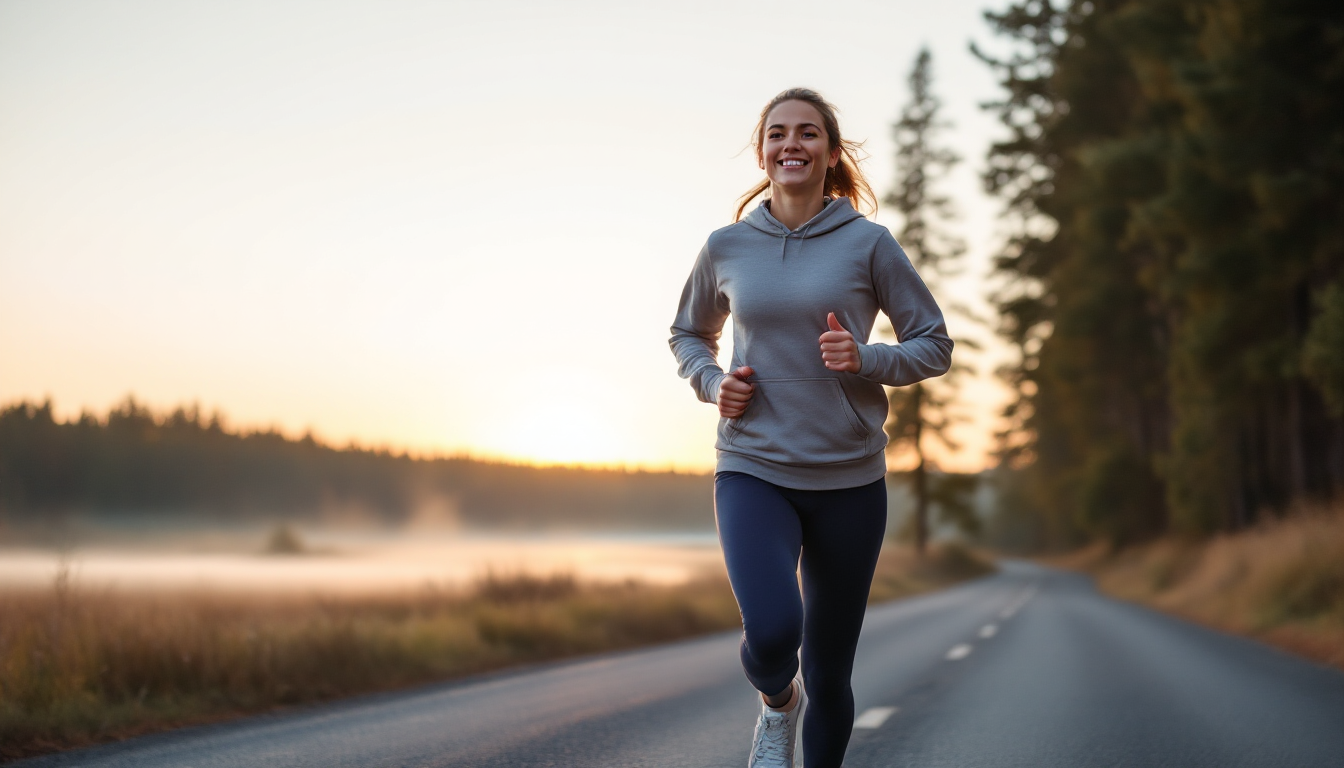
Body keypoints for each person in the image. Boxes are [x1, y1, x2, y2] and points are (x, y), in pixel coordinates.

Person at [668, 88, 953, 768]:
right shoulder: (727, 245)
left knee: (830, 674)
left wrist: (868, 358)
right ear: (763, 152)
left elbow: (934, 343)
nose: (790, 143)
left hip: (850, 479)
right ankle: (775, 704)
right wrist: (714, 383)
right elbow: (688, 334)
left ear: (830, 152)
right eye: (777, 134)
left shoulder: (868, 244)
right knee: (772, 635)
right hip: (753, 465)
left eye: (807, 133)